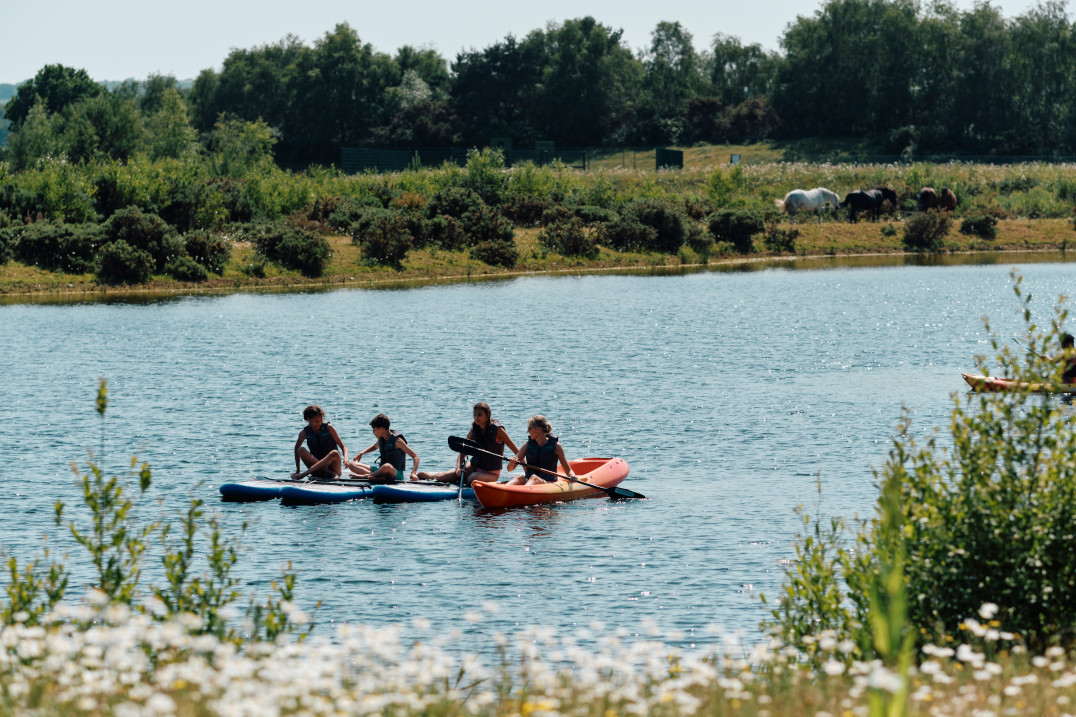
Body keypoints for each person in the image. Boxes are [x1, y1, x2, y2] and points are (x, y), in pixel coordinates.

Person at [416, 402, 520, 486]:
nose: (476, 418)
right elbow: (462, 453)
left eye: (479, 415)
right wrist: (458, 468)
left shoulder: (498, 430)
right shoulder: (474, 430)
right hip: (474, 466)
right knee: (441, 478)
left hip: (491, 473)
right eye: (474, 415)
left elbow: (517, 452)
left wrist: (527, 472)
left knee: (472, 477)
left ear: (487, 415)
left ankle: (463, 480)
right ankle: (433, 476)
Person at [504, 415, 576, 486]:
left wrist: (572, 475)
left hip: (548, 482)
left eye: (530, 428)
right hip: (529, 480)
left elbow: (568, 470)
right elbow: (510, 469)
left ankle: (523, 493)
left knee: (534, 478)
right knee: (520, 478)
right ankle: (505, 491)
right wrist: (512, 463)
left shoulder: (556, 446)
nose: (528, 431)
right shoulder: (527, 445)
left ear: (538, 429)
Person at [347, 413, 419, 483]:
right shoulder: (382, 439)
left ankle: (366, 476)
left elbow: (415, 456)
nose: (373, 432)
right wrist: (361, 453)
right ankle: (377, 477)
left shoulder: (397, 441)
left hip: (395, 473)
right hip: (381, 470)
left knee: (387, 466)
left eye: (374, 430)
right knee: (352, 464)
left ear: (381, 429)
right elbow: (374, 447)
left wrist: (413, 473)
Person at [291, 405, 346, 480]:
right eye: (316, 421)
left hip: (334, 468)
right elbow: (296, 449)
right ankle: (330, 473)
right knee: (300, 450)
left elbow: (343, 446)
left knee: (334, 453)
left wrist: (346, 458)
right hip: (318, 470)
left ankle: (302, 475)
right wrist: (298, 470)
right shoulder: (303, 433)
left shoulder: (329, 428)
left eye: (321, 420)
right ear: (308, 419)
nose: (319, 423)